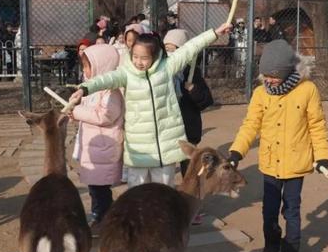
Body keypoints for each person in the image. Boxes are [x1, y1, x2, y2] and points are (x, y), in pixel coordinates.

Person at [69, 21, 232, 188]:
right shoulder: (127, 73)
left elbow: (190, 47)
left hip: (164, 148)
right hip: (138, 148)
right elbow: (106, 79)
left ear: (155, 56)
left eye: (144, 58)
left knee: (163, 190)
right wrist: (84, 89)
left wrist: (216, 32)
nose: (139, 62)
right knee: (137, 191)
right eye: (135, 57)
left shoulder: (167, 67)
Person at [227, 39, 328, 252]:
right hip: (270, 163)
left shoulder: (307, 90)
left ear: (286, 72)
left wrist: (322, 157)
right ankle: (272, 245)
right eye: (265, 76)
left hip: (296, 164)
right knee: (269, 210)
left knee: (292, 209)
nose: (269, 81)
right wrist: (236, 152)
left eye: (273, 76)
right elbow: (250, 125)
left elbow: (317, 125)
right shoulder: (261, 94)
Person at [68, 44, 124, 234]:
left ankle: (103, 220)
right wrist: (76, 112)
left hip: (105, 149)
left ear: (102, 66)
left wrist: (77, 112)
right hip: (96, 149)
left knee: (100, 190)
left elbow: (105, 116)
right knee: (95, 189)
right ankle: (101, 217)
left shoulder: (111, 91)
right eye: (83, 66)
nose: (84, 71)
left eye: (87, 66)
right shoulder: (90, 90)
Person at [163, 29, 213, 176]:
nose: (170, 53)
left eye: (174, 49)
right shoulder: (161, 73)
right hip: (168, 130)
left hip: (188, 129)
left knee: (189, 168)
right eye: (167, 49)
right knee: (166, 169)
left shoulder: (191, 73)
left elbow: (206, 100)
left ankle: (190, 194)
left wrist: (192, 89)